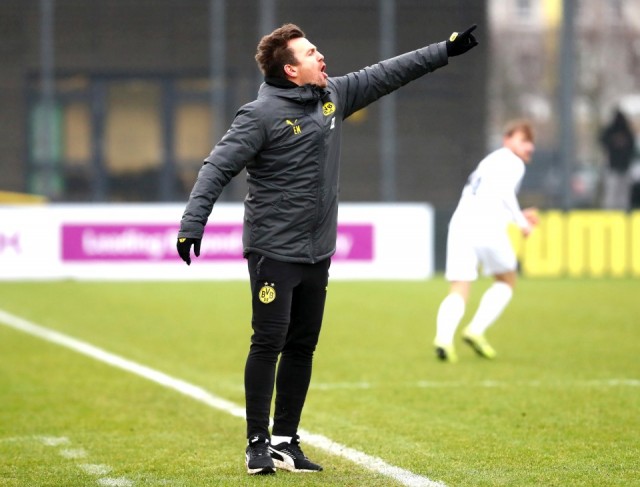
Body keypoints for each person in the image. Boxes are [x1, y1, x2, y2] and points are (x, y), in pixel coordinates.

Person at [176, 22, 478, 475]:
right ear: (290, 70)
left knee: (302, 345)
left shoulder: (332, 96)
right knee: (268, 341)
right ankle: (257, 444)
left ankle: (285, 441)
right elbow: (216, 168)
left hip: (318, 250)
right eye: (310, 53)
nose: (321, 57)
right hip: (273, 249)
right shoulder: (259, 115)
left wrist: (444, 51)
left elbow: (387, 73)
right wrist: (192, 223)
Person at [433, 119, 538, 363]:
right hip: (488, 227)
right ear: (507, 140)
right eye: (524, 140)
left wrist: (518, 216)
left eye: (531, 142)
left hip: (461, 224)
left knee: (459, 287)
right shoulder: (512, 161)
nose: (529, 146)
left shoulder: (488, 161)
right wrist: (522, 223)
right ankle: (476, 330)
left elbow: (489, 198)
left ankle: (443, 339)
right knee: (507, 280)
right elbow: (504, 192)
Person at [599, 108, 636, 211]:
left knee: (622, 194)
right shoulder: (611, 131)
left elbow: (632, 147)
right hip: (613, 167)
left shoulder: (627, 132)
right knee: (612, 193)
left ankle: (622, 213)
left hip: (624, 167)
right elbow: (603, 141)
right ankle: (611, 213)